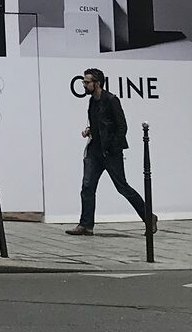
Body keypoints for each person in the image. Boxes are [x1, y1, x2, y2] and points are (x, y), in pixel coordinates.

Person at [66, 67, 157, 236]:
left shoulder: (111, 100)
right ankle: (86, 225)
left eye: (87, 82)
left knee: (122, 187)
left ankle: (149, 217)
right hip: (94, 151)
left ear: (97, 83)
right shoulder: (92, 100)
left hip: (110, 153)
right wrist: (89, 130)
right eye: (83, 82)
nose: (84, 85)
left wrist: (112, 147)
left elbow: (122, 126)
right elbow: (99, 123)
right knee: (87, 187)